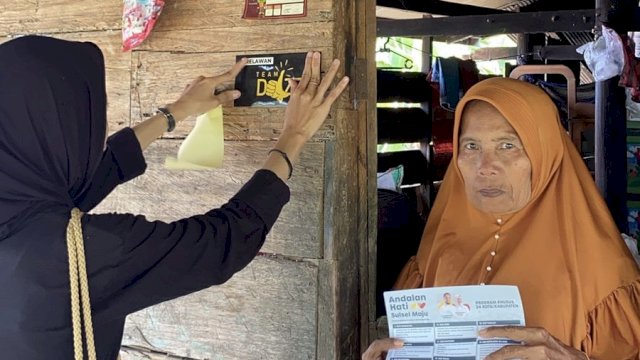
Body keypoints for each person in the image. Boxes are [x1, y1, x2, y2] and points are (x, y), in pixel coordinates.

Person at [0, 36, 349, 359]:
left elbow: (94, 176)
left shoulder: (17, 193)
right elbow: (222, 243)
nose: (95, 133)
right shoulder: (78, 256)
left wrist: (175, 111)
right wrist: (294, 136)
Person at [363, 77, 640, 360]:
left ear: (545, 152)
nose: (485, 167)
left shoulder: (604, 271)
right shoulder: (437, 246)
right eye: (471, 146)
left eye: (507, 146)